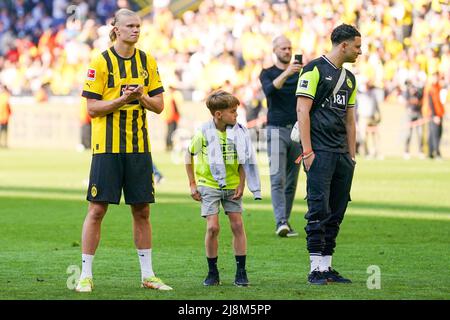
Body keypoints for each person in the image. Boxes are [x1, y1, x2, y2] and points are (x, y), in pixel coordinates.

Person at [75, 9, 172, 292]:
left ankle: (147, 275)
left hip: (139, 147)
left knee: (142, 211)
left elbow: (159, 106)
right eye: (130, 25)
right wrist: (122, 99)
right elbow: (92, 108)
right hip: (106, 148)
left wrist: (141, 95)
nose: (136, 30)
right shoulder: (101, 62)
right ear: (115, 28)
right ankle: (86, 275)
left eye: (138, 26)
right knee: (97, 209)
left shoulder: (147, 61)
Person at [295, 24, 361, 285]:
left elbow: (351, 120)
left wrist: (352, 155)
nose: (360, 51)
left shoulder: (350, 79)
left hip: (342, 154)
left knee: (337, 210)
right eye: (357, 46)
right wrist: (308, 151)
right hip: (319, 151)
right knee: (318, 208)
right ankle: (314, 269)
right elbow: (302, 111)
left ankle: (327, 266)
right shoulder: (313, 69)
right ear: (343, 45)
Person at [185, 90, 261, 287]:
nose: (237, 115)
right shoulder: (203, 133)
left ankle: (241, 272)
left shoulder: (239, 132)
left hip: (232, 185)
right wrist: (193, 184)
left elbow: (243, 160)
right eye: (233, 111)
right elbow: (189, 156)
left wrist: (242, 183)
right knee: (213, 227)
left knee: (237, 225)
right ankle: (212, 272)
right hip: (209, 186)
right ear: (219, 114)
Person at [259, 35, 302, 237]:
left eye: (289, 48)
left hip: (296, 131)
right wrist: (287, 72)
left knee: (292, 180)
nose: (287, 51)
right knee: (277, 178)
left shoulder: (300, 73)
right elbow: (269, 90)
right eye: (283, 48)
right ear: (274, 50)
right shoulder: (267, 73)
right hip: (275, 130)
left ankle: (285, 220)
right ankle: (281, 222)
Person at [422, 72, 445, 159]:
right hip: (433, 113)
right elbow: (431, 102)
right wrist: (435, 115)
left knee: (433, 133)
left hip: (438, 112)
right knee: (436, 133)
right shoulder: (430, 88)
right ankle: (436, 152)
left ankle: (431, 153)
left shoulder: (437, 87)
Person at [403, 79, 424, 159]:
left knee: (420, 134)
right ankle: (406, 151)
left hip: (418, 114)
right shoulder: (406, 94)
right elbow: (405, 103)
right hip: (410, 115)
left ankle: (421, 151)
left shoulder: (419, 93)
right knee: (408, 134)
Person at [162, 85, 182, 151]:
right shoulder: (170, 97)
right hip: (171, 117)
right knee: (170, 132)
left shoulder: (171, 96)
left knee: (171, 132)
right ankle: (169, 145)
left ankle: (170, 145)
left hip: (173, 117)